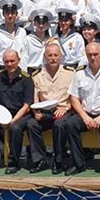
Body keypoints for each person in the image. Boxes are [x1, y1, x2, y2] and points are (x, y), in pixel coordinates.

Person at [60, 42, 100, 176]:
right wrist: (85, 116)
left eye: (95, 54)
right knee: (70, 124)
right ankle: (78, 164)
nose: (93, 58)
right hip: (85, 113)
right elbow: (74, 98)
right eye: (90, 55)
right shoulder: (79, 72)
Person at [30, 43, 75, 174]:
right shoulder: (37, 74)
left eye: (56, 55)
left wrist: (66, 108)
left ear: (61, 56)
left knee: (59, 125)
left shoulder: (70, 73)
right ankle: (40, 160)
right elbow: (35, 98)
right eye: (50, 55)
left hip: (63, 110)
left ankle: (58, 161)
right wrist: (36, 112)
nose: (53, 58)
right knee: (31, 124)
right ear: (45, 57)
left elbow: (75, 96)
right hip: (44, 112)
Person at [0, 0, 27, 68]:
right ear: (3, 14)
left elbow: (24, 53)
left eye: (12, 13)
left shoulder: (22, 32)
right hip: (2, 67)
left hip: (18, 68)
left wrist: (24, 70)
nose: (10, 16)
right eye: (7, 13)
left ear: (16, 14)